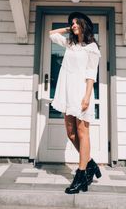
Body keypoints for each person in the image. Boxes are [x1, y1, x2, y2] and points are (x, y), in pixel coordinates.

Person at [49, 12, 102, 194]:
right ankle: (91, 164)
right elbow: (51, 34)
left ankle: (80, 176)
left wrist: (87, 97)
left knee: (82, 132)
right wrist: (67, 28)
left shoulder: (92, 48)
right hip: (67, 92)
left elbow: (90, 74)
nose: (72, 25)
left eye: (75, 23)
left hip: (81, 92)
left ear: (84, 25)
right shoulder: (70, 44)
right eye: (71, 23)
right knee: (71, 133)